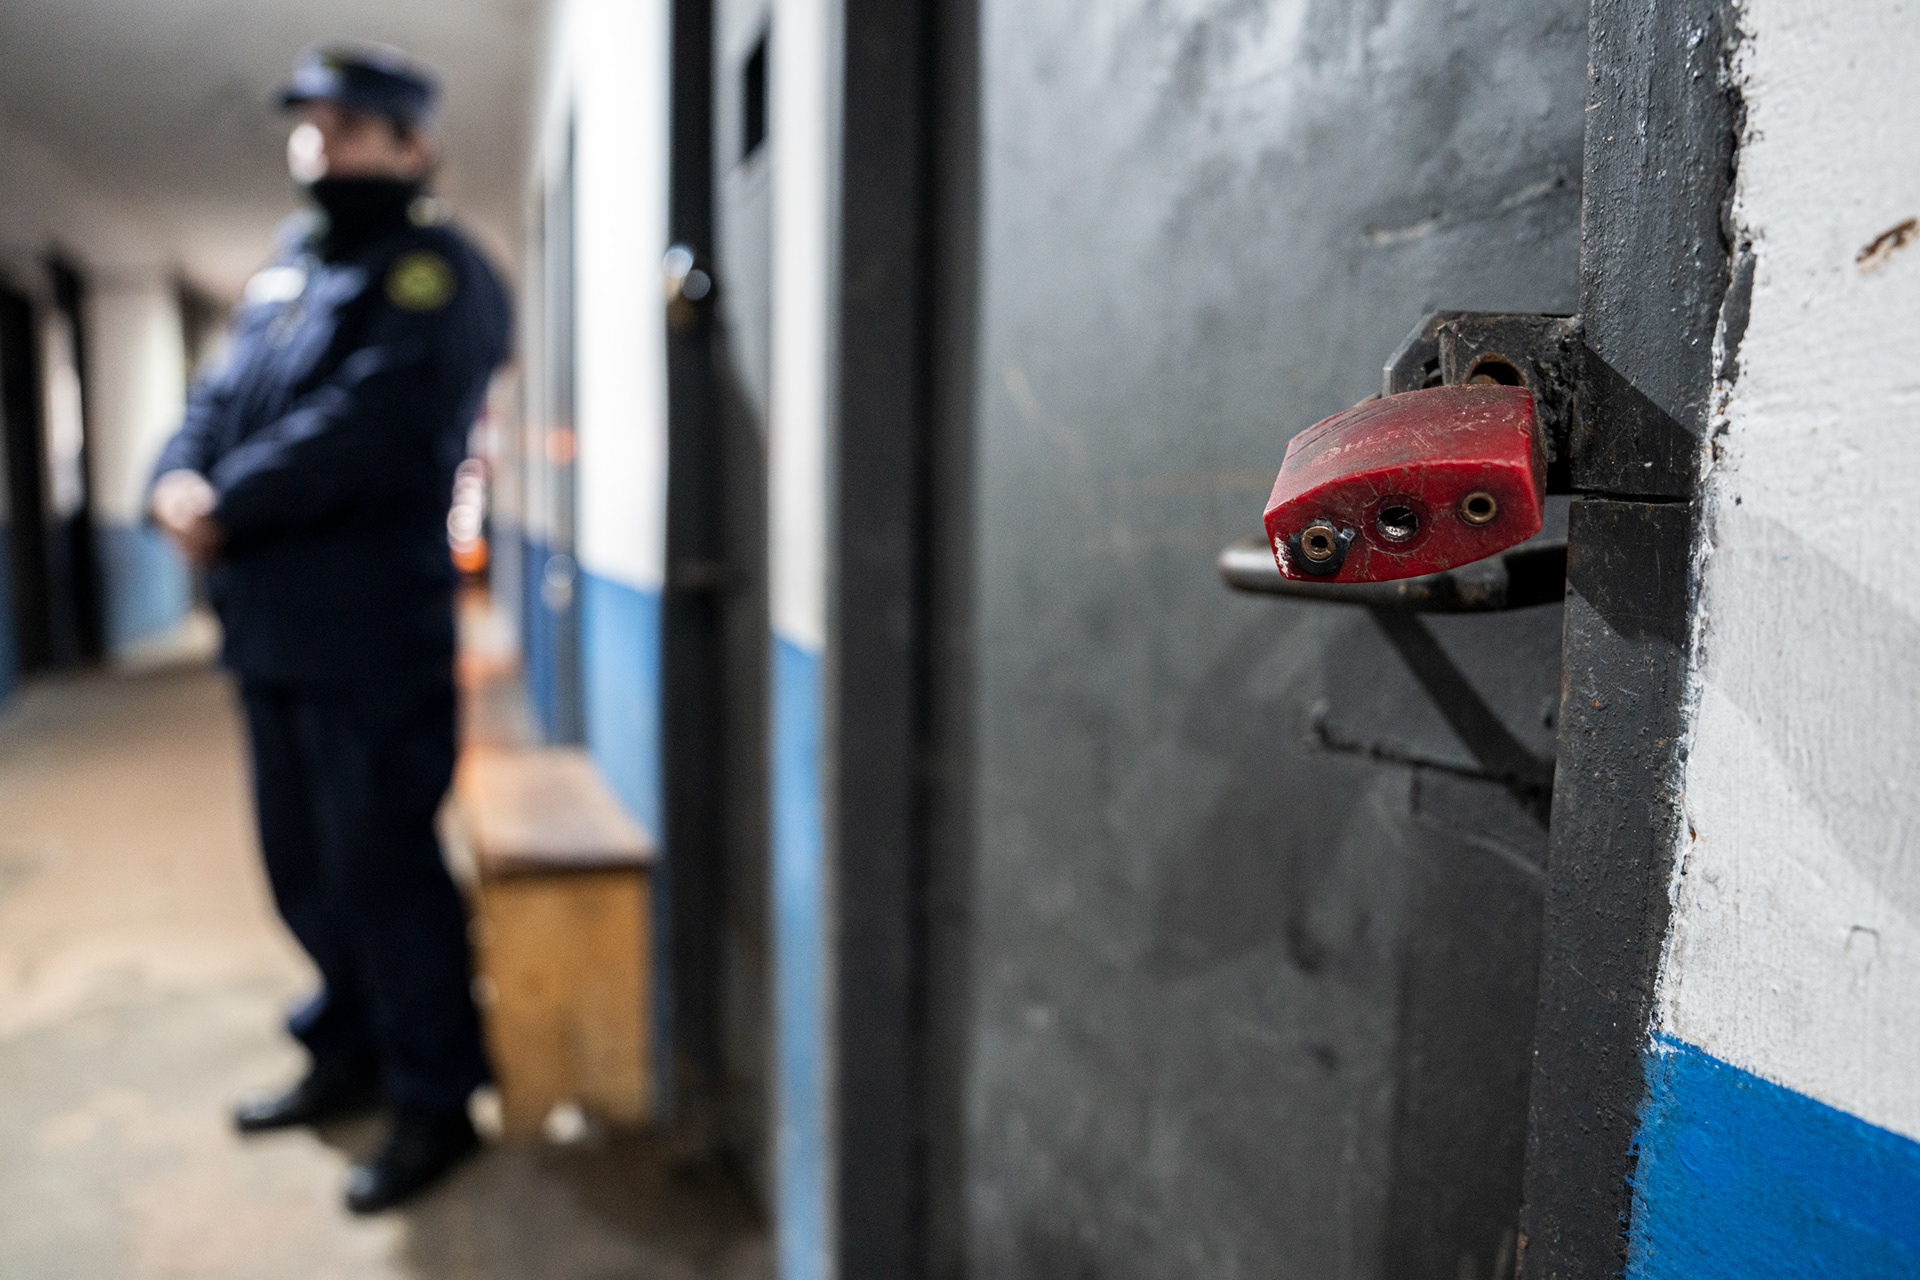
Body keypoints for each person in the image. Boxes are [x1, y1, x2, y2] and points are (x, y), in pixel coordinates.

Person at [149, 44, 510, 1214]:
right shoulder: (289, 268)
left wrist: (225, 501)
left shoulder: (437, 274)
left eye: (349, 128)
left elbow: (378, 425)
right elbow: (213, 401)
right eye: (310, 128)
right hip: (269, 631)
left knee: (383, 866)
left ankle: (437, 1096)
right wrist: (172, 475)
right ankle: (347, 1047)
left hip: (370, 635)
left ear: (413, 148)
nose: (321, 148)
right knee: (301, 861)